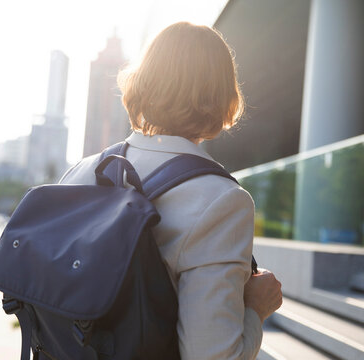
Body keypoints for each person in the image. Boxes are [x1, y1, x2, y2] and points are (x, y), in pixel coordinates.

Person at [60, 21, 282, 360]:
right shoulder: (223, 201)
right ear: (224, 98)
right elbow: (212, 356)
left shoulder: (83, 171)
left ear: (141, 83)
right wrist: (255, 307)